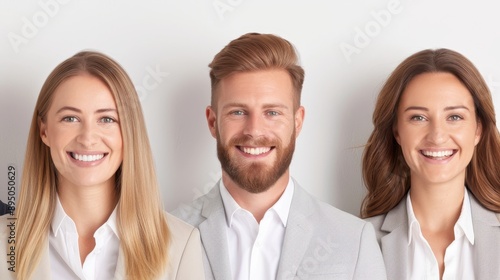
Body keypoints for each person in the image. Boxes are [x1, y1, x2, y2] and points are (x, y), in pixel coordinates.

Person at [173, 32, 387, 280]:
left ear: (297, 123)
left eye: (272, 112)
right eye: (238, 112)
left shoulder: (353, 239)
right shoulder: (165, 236)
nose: (254, 130)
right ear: (212, 122)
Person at [0, 51, 205, 280]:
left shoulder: (180, 245)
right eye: (70, 118)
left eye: (107, 119)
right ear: (44, 130)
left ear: (129, 132)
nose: (88, 138)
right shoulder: (2, 242)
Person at [362, 48, 500, 279]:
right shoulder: (358, 241)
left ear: (478, 130)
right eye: (418, 118)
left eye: (454, 117)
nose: (437, 136)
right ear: (397, 131)